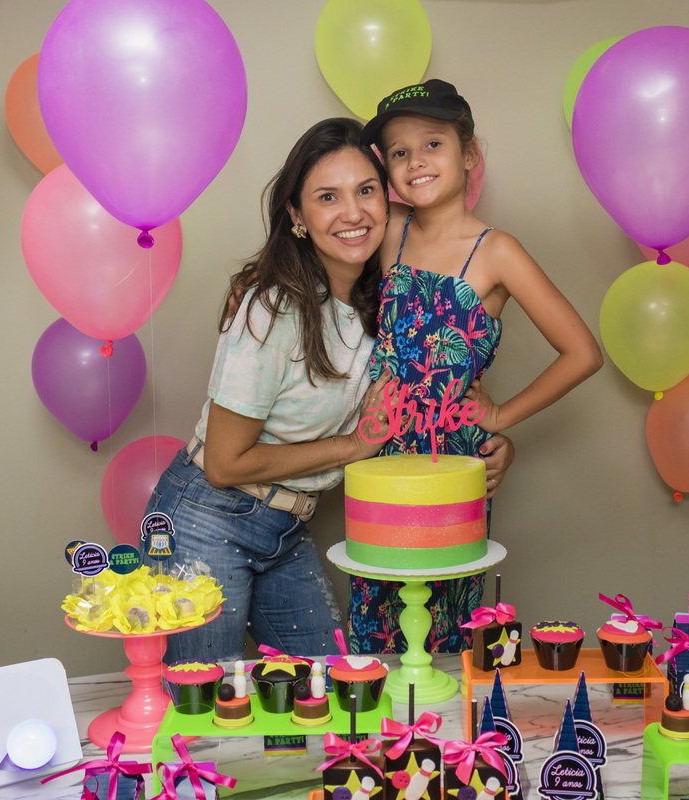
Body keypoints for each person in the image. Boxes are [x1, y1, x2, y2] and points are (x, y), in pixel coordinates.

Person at [142, 117, 515, 662]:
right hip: (205, 519)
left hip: (287, 527)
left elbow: (439, 390)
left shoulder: (384, 300)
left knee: (336, 698)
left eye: (366, 191)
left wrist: (497, 437)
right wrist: (351, 448)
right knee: (203, 712)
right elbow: (224, 463)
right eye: (327, 197)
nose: (353, 213)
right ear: (297, 215)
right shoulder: (271, 309)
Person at [348, 80, 604, 654]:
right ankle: (384, 744)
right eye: (398, 152)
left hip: (452, 464)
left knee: (441, 622)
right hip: (375, 453)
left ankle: (442, 742)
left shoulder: (497, 252)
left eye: (432, 144)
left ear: (469, 155)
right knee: (376, 612)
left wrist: (500, 416)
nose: (416, 162)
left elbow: (583, 353)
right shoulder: (388, 229)